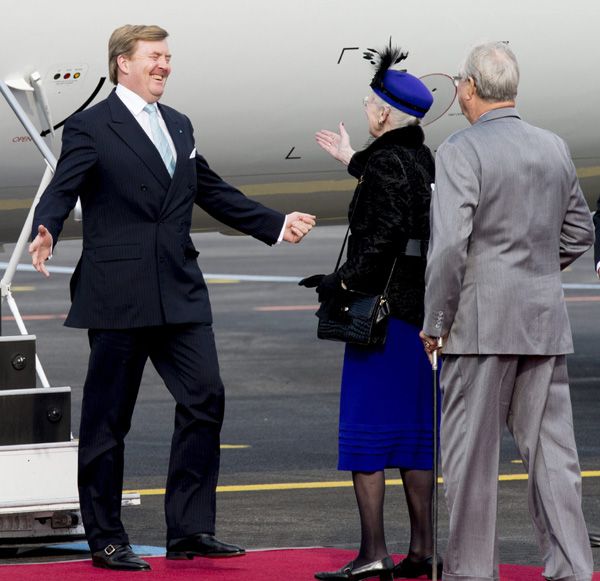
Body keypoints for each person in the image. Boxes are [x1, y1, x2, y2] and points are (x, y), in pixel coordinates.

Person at [28, 24, 316, 572]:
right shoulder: (91, 126)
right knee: (108, 421)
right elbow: (63, 186)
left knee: (205, 398)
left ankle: (189, 529)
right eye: (154, 57)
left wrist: (275, 224)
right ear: (123, 64)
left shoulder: (179, 125)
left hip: (179, 290)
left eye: (167, 58)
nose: (164, 66)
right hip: (119, 294)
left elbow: (210, 189)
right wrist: (47, 226)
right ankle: (106, 536)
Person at [420, 42, 594, 581]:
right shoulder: (553, 147)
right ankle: (571, 566)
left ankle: (472, 572)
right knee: (554, 460)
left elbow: (448, 248)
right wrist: (536, 272)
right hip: (543, 323)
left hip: (479, 327)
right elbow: (581, 231)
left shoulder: (459, 150)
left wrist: (435, 324)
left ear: (469, 88)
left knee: (472, 464)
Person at [305, 46, 440, 581]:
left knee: (365, 435)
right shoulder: (424, 157)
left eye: (369, 102)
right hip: (417, 315)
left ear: (384, 113)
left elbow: (380, 239)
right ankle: (423, 552)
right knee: (414, 437)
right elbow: (400, 190)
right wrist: (351, 159)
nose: (365, 108)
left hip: (380, 323)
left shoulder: (385, 161)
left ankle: (372, 552)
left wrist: (336, 282)